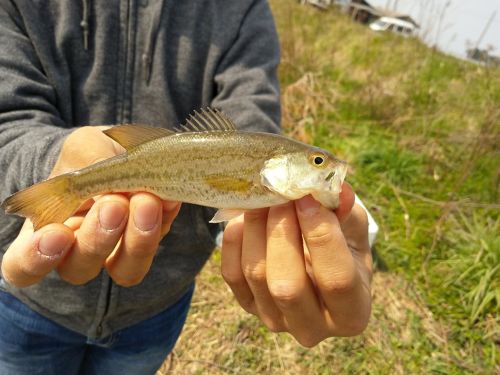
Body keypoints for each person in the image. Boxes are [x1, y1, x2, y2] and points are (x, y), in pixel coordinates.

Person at [0, 1, 372, 374]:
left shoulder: (244, 10)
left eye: (318, 161)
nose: (326, 167)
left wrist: (285, 250)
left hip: (156, 309)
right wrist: (55, 157)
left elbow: (250, 118)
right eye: (318, 162)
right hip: (23, 307)